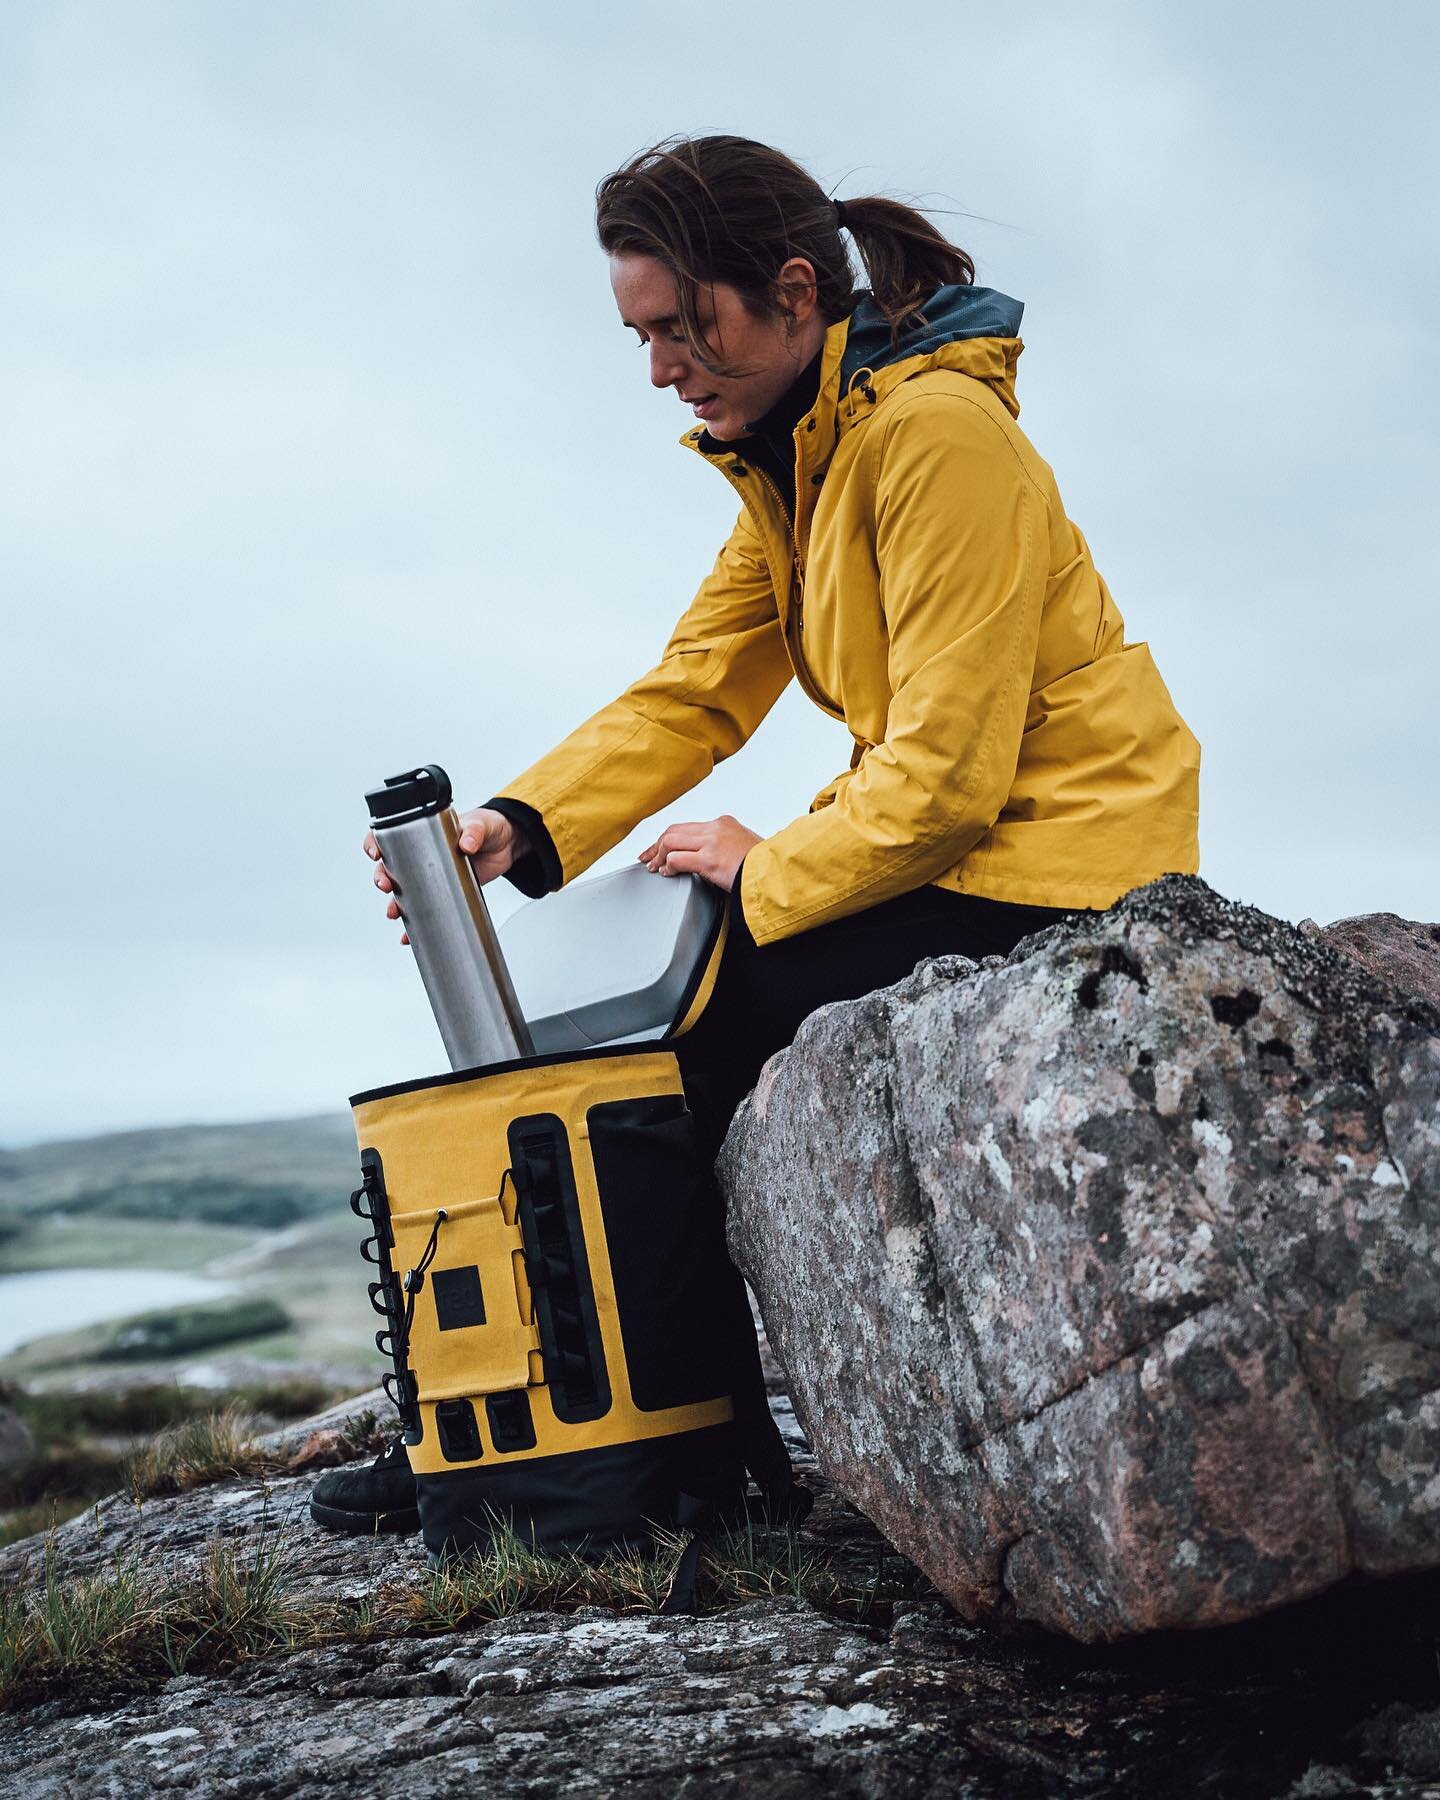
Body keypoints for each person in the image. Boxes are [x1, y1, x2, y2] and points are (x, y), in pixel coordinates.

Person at [310, 134, 1200, 1537]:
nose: (662, 368)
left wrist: (769, 868)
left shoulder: (933, 439)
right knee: (641, 1027)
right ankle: (615, 1441)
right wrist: (516, 825)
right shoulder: (800, 453)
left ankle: (674, 1457)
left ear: (794, 292)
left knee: (675, 1039)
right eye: (643, 336)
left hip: (1057, 867)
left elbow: (954, 778)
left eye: (682, 326)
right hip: (962, 847)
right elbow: (699, 687)